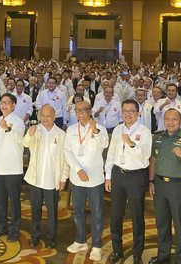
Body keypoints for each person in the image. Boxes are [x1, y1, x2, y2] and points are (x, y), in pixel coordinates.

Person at [104, 99, 152, 264]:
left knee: (137, 216)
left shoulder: (145, 132)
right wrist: (108, 176)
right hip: (118, 174)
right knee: (116, 215)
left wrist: (131, 143)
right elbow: (111, 154)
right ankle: (117, 250)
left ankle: (137, 252)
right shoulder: (118, 129)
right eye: (125, 111)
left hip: (136, 176)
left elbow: (145, 156)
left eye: (131, 111)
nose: (128, 114)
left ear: (138, 113)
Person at [148, 109, 181, 264]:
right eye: (167, 119)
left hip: (179, 186)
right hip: (160, 185)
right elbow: (153, 160)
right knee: (162, 222)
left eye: (174, 119)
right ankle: (163, 255)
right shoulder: (158, 137)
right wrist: (151, 181)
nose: (170, 122)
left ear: (180, 121)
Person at [64, 101, 108, 262]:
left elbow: (104, 144)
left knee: (97, 213)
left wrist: (94, 130)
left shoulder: (100, 129)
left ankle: (96, 245)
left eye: (84, 110)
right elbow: (67, 152)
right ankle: (81, 240)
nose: (80, 113)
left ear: (91, 111)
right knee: (78, 211)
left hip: (95, 178)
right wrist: (78, 169)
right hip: (77, 177)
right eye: (77, 110)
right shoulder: (71, 130)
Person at [23, 104, 68, 249]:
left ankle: (51, 238)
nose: (45, 119)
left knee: (52, 211)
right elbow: (25, 143)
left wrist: (63, 178)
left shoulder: (61, 135)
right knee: (35, 209)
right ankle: (35, 235)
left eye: (48, 116)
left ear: (54, 117)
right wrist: (30, 134)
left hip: (52, 180)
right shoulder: (35, 130)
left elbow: (66, 159)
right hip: (36, 178)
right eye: (43, 115)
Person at [0, 93, 25, 242]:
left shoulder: (18, 122)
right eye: (2, 103)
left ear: (14, 105)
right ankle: (1, 226)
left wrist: (8, 129)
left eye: (7, 102)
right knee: (0, 200)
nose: (3, 105)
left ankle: (14, 229)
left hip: (12, 168)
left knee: (15, 201)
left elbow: (19, 139)